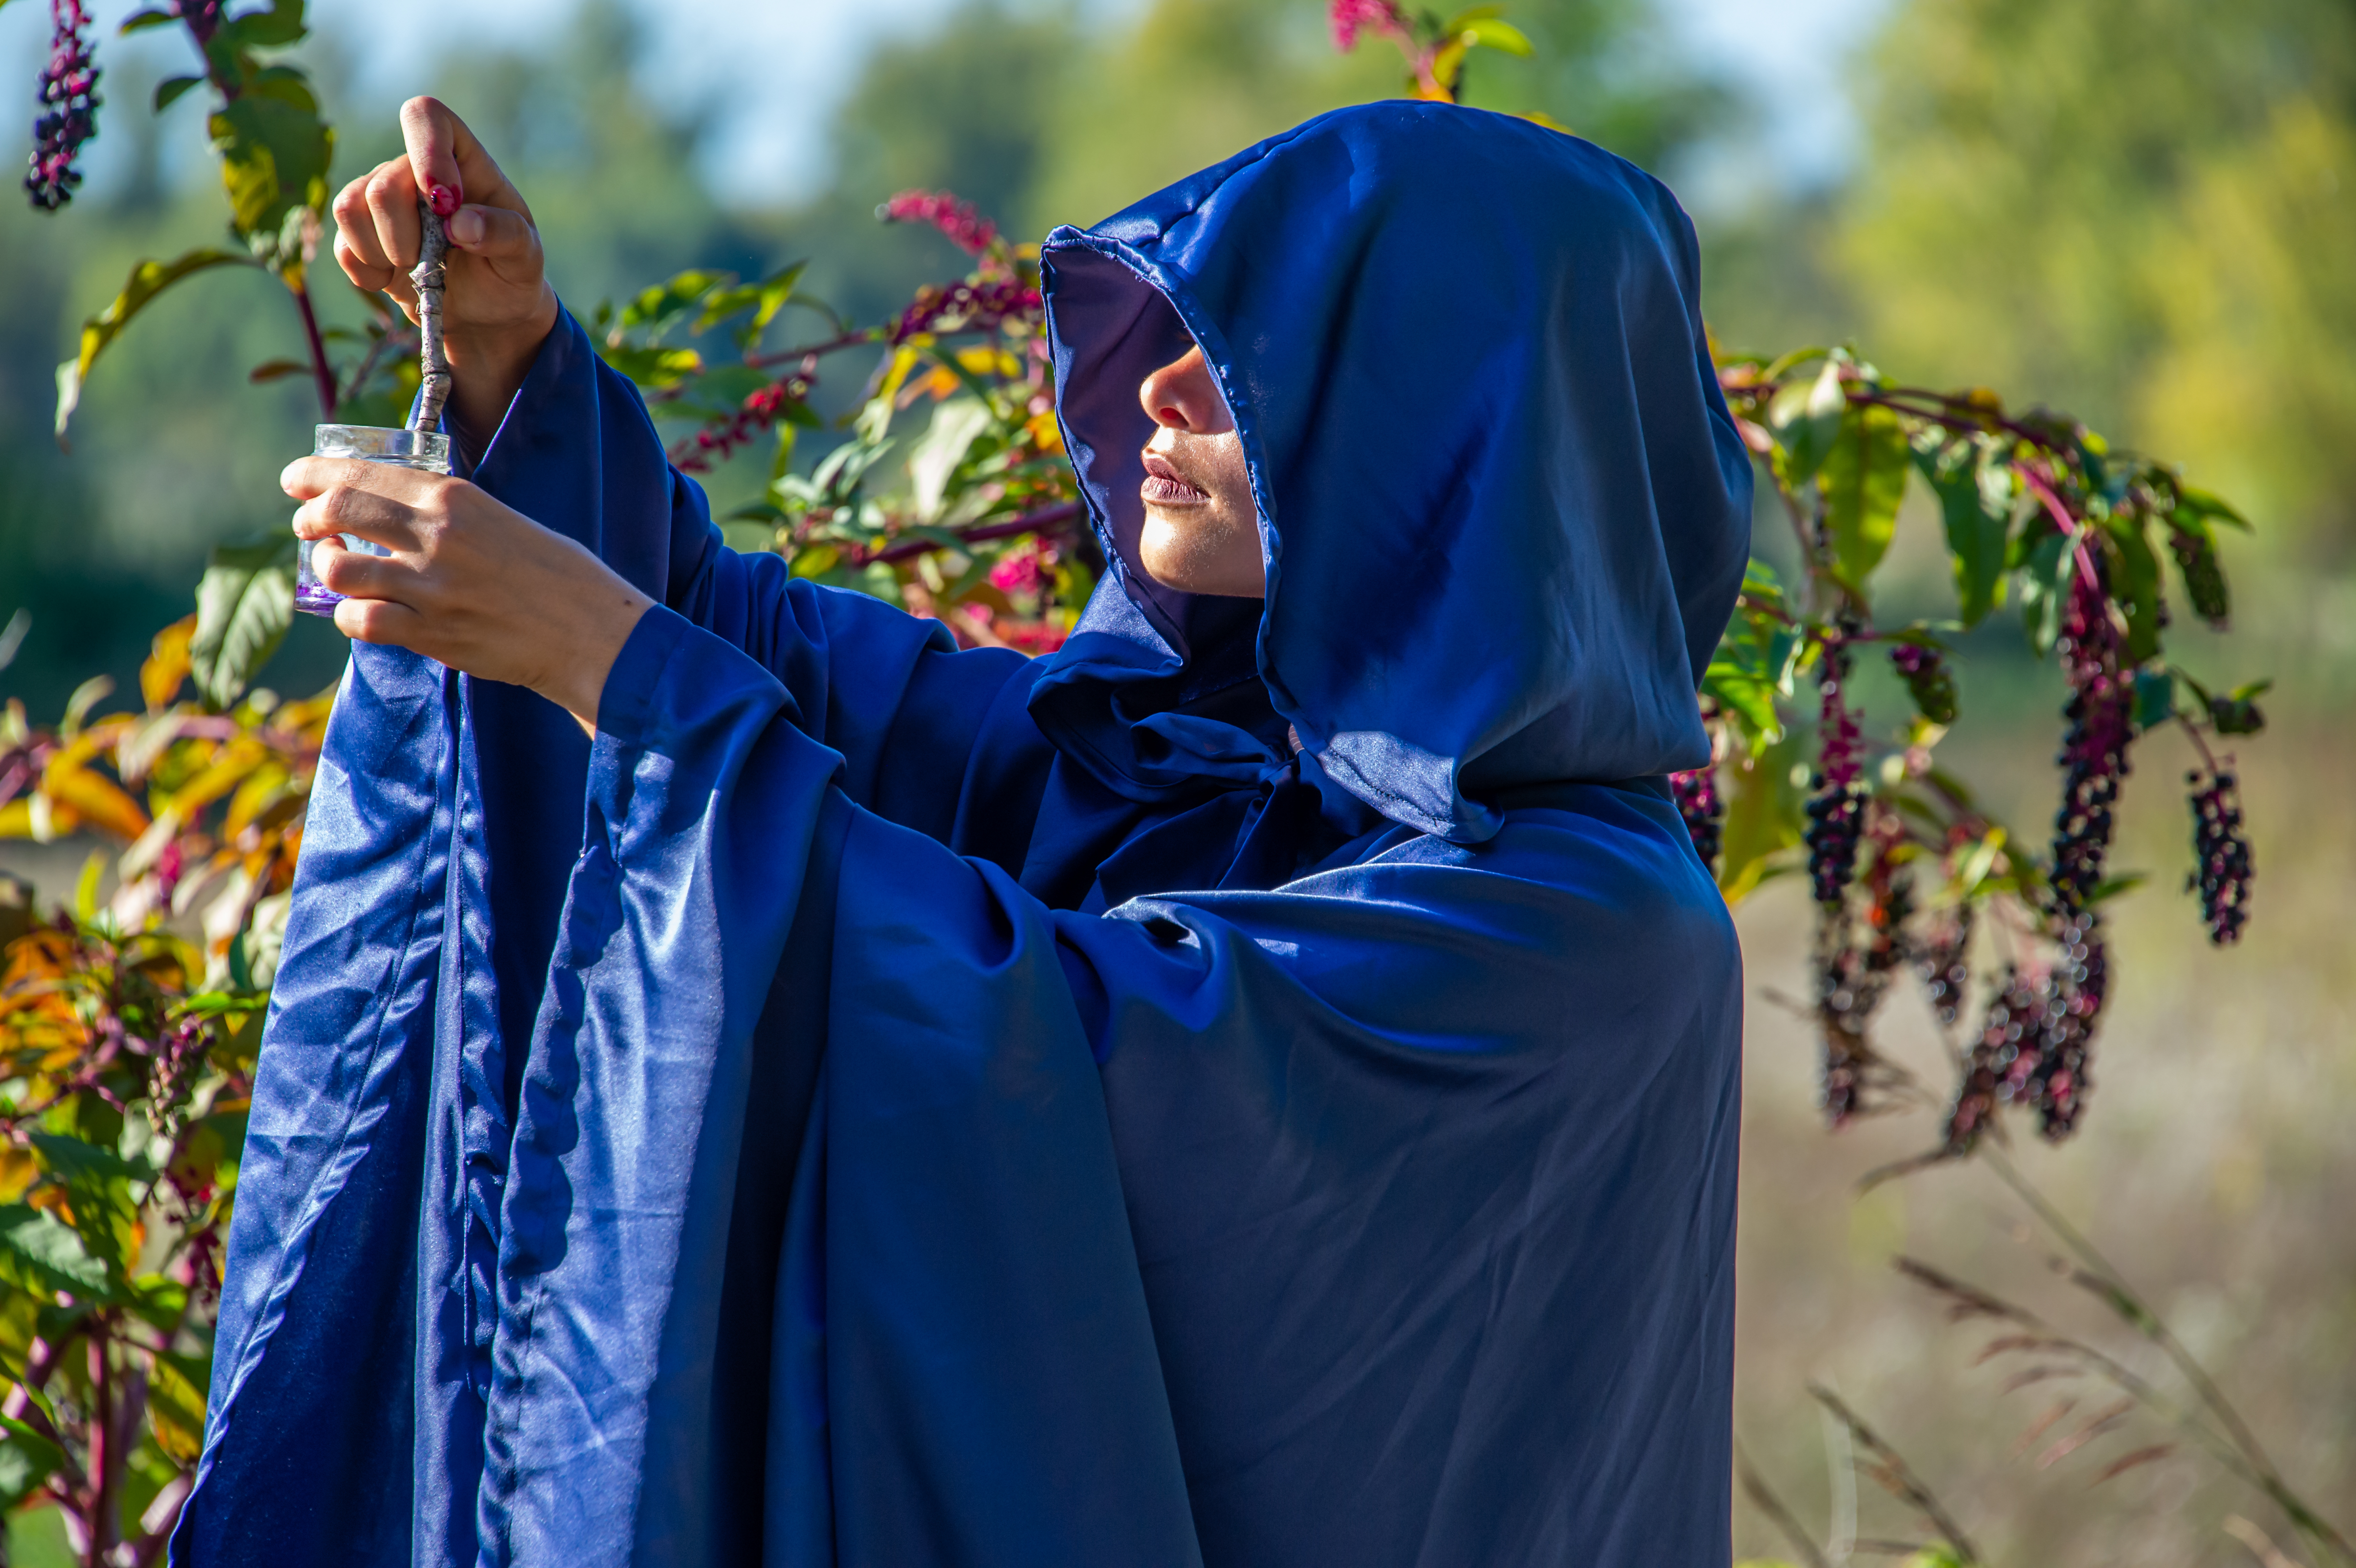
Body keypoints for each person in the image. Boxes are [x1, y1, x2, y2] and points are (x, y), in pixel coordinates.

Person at [175, 92, 1752, 1568]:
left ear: (1453, 426)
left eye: (1267, 349)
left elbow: (1054, 1040)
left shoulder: (1594, 934)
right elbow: (784, 674)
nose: (1163, 382)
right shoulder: (1193, 769)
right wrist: (520, 371)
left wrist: (612, 669)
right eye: (1183, 332)